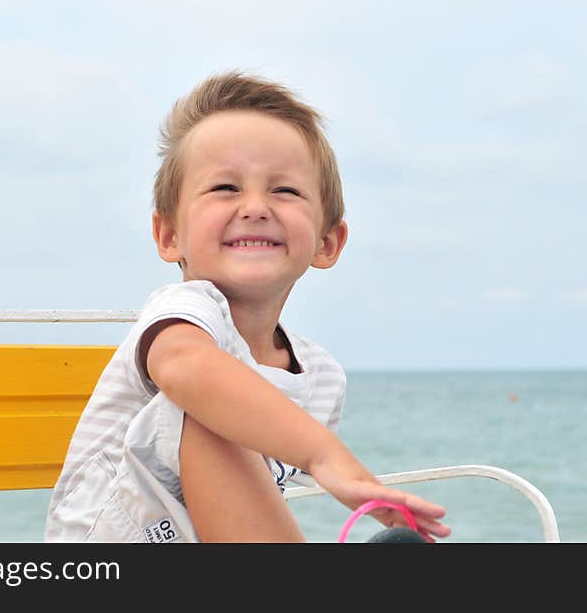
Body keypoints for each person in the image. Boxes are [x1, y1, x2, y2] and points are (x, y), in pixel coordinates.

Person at [44, 70, 451, 543]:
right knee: (207, 408)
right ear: (169, 235)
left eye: (285, 190)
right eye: (225, 188)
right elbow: (186, 367)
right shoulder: (184, 314)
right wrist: (326, 458)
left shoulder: (319, 377)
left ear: (327, 242)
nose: (255, 206)